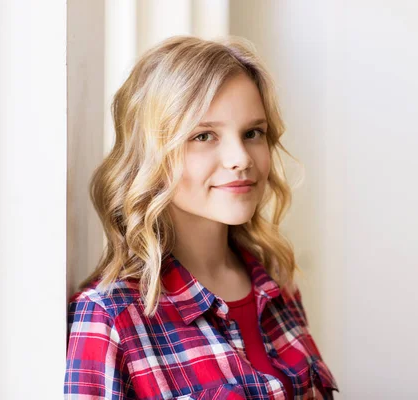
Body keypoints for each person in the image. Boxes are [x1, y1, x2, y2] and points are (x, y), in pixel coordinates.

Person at [64, 35, 339, 400]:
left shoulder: (277, 284)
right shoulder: (110, 317)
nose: (240, 158)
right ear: (150, 154)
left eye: (252, 133)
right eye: (204, 135)